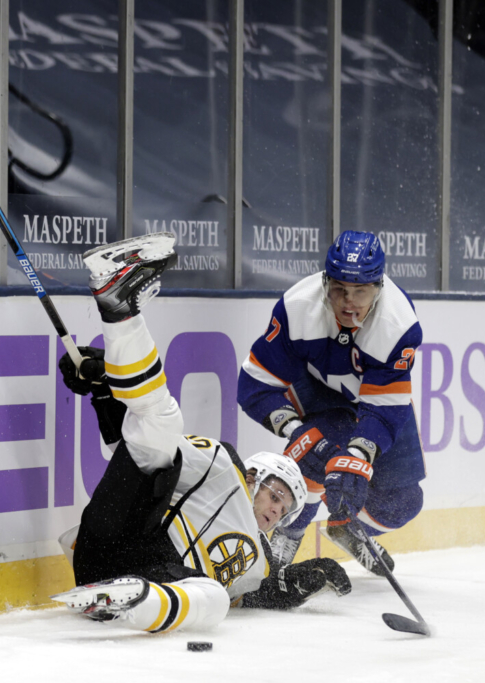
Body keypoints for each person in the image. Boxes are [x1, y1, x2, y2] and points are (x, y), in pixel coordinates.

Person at [52, 232, 351, 633]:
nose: (276, 511)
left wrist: (298, 582)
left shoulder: (259, 565)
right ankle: (119, 307)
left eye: (284, 511)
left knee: (216, 599)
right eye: (276, 495)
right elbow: (145, 454)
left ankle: (124, 602)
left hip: (147, 577)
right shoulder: (223, 466)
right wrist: (107, 388)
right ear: (253, 477)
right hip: (120, 538)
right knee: (163, 422)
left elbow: (259, 592)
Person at [237, 230, 425, 577]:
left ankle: (346, 528)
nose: (348, 302)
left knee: (405, 501)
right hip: (316, 389)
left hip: (373, 400)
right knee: (315, 449)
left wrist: (357, 458)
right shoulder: (297, 307)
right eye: (339, 289)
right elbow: (254, 384)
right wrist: (297, 431)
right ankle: (288, 535)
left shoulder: (399, 325)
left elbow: (384, 410)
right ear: (325, 282)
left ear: (379, 287)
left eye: (360, 291)